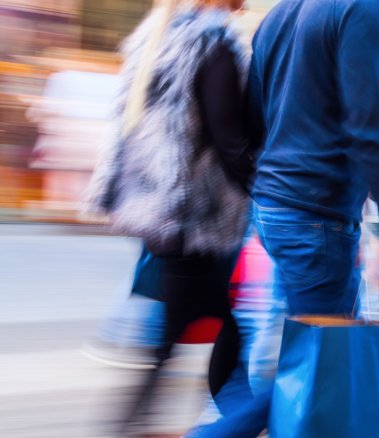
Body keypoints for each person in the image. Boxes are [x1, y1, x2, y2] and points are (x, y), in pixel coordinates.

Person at [192, 0, 379, 435]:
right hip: (315, 218)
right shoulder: (360, 9)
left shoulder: (279, 16)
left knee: (324, 355)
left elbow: (254, 119)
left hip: (276, 209)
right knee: (320, 366)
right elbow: (365, 123)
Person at [84, 0, 254, 434]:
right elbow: (228, 137)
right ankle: (230, 420)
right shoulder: (211, 42)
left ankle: (237, 419)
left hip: (155, 210)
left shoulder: (156, 36)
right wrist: (265, 190)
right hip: (191, 218)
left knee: (222, 324)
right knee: (182, 338)